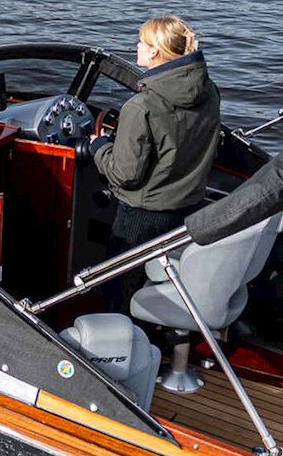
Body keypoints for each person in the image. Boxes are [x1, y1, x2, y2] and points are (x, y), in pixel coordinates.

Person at [83, 15, 222, 308]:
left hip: (141, 216)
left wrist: (98, 148)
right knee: (152, 285)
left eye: (141, 42)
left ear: (154, 52)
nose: (136, 47)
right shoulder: (209, 91)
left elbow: (125, 175)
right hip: (187, 209)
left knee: (118, 291)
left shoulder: (140, 106)